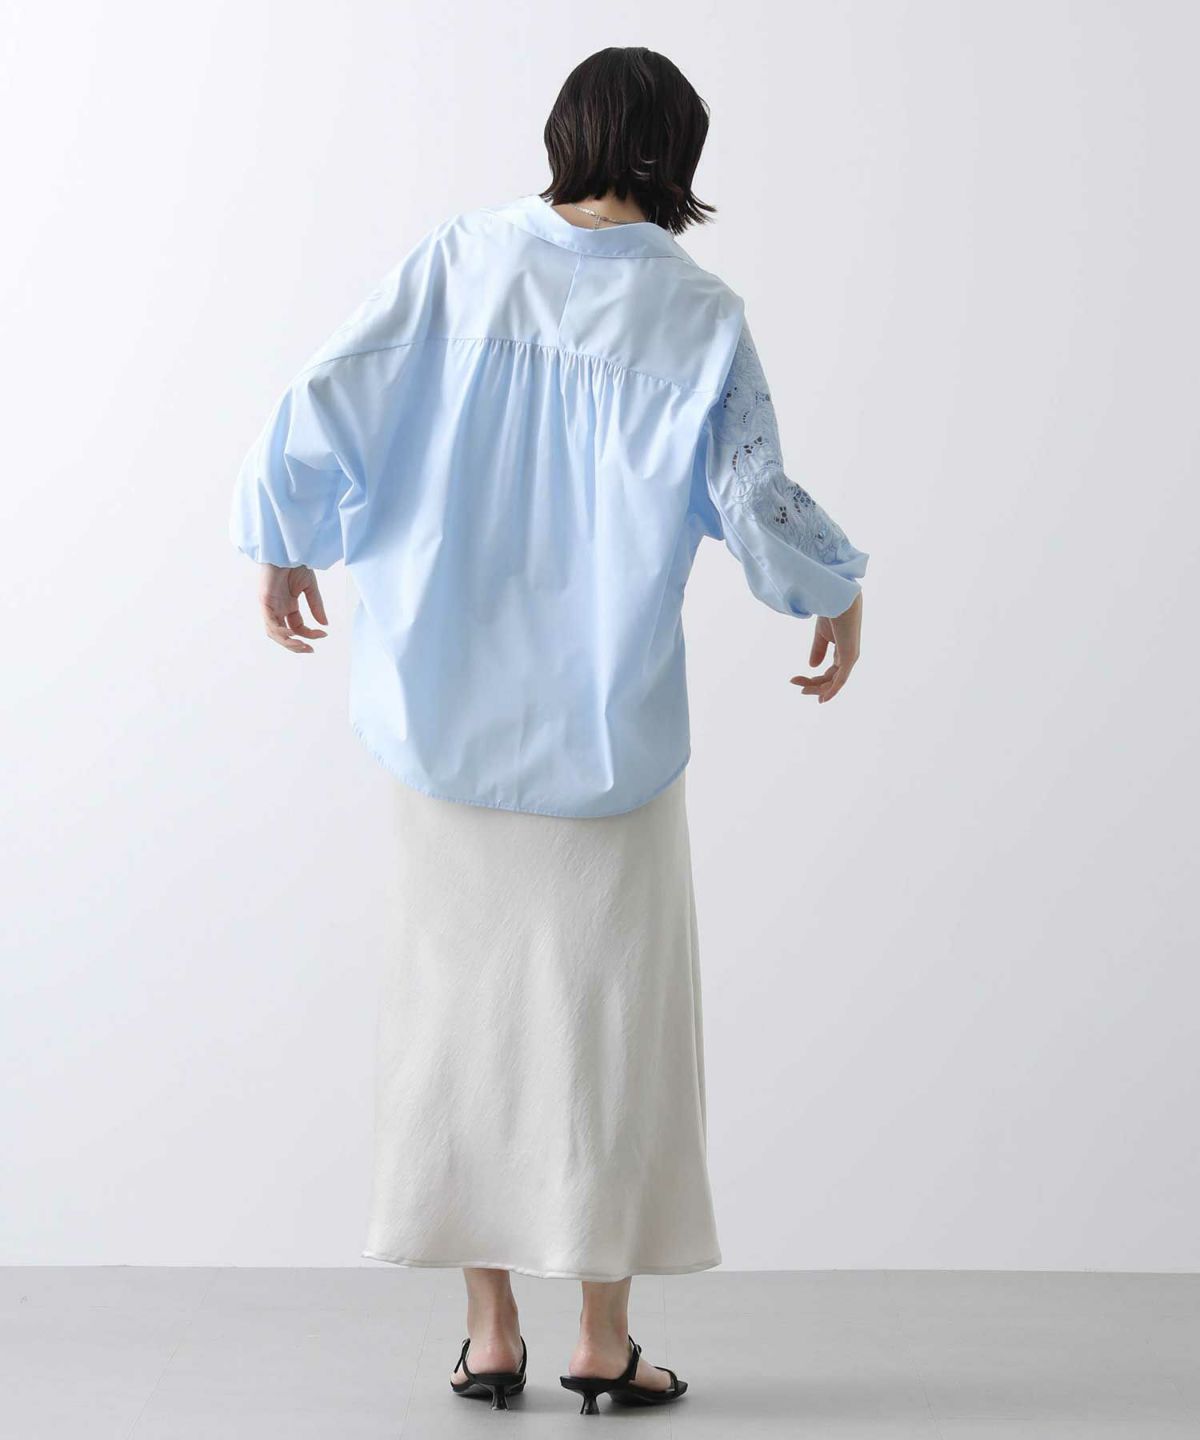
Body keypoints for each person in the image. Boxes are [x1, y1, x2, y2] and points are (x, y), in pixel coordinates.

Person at [230, 45, 868, 1415]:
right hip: (607, 736)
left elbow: (327, 396)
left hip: (443, 719)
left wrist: (282, 537)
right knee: (609, 1033)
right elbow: (754, 494)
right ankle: (603, 1339)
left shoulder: (457, 262)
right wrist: (835, 587)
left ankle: (490, 1333)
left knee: (459, 1025)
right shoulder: (699, 315)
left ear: (565, 132)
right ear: (677, 154)